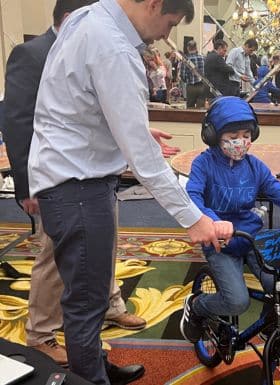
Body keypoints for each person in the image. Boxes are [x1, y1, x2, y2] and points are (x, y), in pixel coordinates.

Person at [27, 0, 220, 384]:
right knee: (86, 302)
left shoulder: (87, 15)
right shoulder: (115, 47)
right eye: (170, 22)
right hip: (79, 188)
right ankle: (90, 379)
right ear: (153, 3)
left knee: (88, 294)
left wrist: (129, 127)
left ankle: (94, 366)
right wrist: (193, 218)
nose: (167, 35)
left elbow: (73, 100)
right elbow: (146, 163)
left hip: (66, 180)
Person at [3, 0, 151, 373]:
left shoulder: (90, 46)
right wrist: (27, 186)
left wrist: (137, 135)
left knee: (95, 263)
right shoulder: (32, 53)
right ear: (74, 18)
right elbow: (18, 123)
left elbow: (97, 112)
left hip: (95, 178)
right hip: (58, 183)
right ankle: (42, 336)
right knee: (57, 263)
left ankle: (96, 347)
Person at [179, 96, 280, 343]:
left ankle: (267, 324)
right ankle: (197, 308)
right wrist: (212, 219)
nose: (240, 141)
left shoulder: (254, 166)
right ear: (213, 135)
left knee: (278, 286)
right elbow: (192, 197)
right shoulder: (203, 164)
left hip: (251, 238)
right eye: (232, 135)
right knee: (237, 301)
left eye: (245, 134)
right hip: (220, 243)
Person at [180, 40, 206, 108]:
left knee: (190, 108)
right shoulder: (203, 58)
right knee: (201, 108)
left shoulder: (185, 60)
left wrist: (186, 80)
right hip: (202, 86)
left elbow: (182, 75)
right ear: (196, 47)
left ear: (188, 48)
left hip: (191, 86)